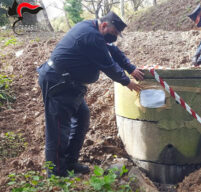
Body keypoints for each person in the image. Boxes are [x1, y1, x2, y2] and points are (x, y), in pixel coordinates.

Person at [37, 11, 144, 177]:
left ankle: (70, 162)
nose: (114, 37)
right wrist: (127, 82)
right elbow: (108, 65)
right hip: (59, 83)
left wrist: (131, 68)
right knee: (58, 129)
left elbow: (114, 52)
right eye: (114, 33)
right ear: (104, 25)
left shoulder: (96, 32)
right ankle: (56, 173)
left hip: (71, 86)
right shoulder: (90, 35)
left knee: (82, 118)